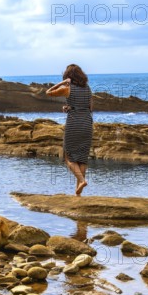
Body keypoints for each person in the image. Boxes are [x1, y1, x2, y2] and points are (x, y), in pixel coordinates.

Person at [45, 64, 93, 196]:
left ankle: (82, 181)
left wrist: (63, 83)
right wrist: (69, 107)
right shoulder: (87, 89)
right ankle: (78, 194)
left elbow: (48, 92)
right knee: (82, 158)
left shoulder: (67, 88)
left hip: (74, 124)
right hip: (87, 123)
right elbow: (89, 108)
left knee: (69, 156)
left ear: (68, 76)